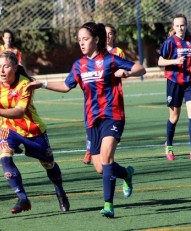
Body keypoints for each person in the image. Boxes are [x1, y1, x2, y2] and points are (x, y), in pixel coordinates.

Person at [27, 22, 146, 218]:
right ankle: (126, 174)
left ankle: (108, 206)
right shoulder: (79, 65)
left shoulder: (109, 59)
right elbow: (66, 86)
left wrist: (127, 72)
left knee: (107, 158)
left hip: (112, 116)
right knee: (101, 168)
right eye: (79, 40)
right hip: (92, 120)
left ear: (96, 40)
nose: (81, 43)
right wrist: (43, 84)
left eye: (85, 39)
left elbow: (141, 69)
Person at [0, 51, 70, 214]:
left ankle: (60, 192)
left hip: (32, 130)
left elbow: (20, 111)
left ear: (15, 68)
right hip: (8, 128)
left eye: (6, 66)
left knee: (49, 164)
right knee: (5, 159)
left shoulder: (25, 85)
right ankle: (22, 198)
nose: (1, 70)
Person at [158, 13, 191, 161]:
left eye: (182, 25)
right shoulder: (169, 42)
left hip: (190, 82)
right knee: (174, 116)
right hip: (174, 83)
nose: (180, 28)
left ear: (186, 25)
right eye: (177, 25)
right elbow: (160, 61)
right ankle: (168, 145)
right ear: (173, 27)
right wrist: (175, 61)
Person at [83, 23, 125, 165]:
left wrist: (125, 72)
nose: (107, 36)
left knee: (106, 157)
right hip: (93, 100)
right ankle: (90, 149)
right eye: (105, 34)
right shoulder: (90, 54)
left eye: (110, 34)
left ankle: (101, 152)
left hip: (111, 100)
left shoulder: (116, 53)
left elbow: (129, 67)